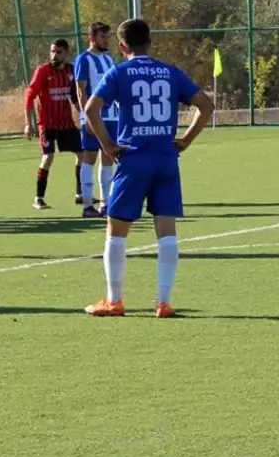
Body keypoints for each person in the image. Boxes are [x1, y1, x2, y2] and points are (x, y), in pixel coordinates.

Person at [82, 18, 214, 318]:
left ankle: (114, 301)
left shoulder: (119, 71)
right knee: (166, 231)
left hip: (134, 158)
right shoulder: (170, 71)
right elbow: (205, 106)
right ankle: (163, 302)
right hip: (166, 158)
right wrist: (186, 141)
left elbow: (91, 109)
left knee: (116, 231)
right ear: (150, 42)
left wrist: (108, 145)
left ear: (121, 46)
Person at [24, 38, 81, 210]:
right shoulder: (43, 71)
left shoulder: (72, 71)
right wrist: (28, 123)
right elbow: (29, 96)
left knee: (83, 155)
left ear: (66, 54)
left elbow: (74, 96)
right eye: (52, 51)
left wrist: (86, 115)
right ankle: (38, 198)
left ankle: (80, 194)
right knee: (48, 158)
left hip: (66, 123)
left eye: (58, 52)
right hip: (47, 124)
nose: (54, 55)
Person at [74, 21, 117, 217]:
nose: (106, 40)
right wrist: (86, 118)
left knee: (108, 157)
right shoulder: (84, 59)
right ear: (92, 38)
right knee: (89, 158)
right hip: (94, 117)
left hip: (111, 117)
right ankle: (87, 205)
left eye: (107, 36)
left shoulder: (108, 58)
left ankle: (106, 204)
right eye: (102, 36)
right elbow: (80, 90)